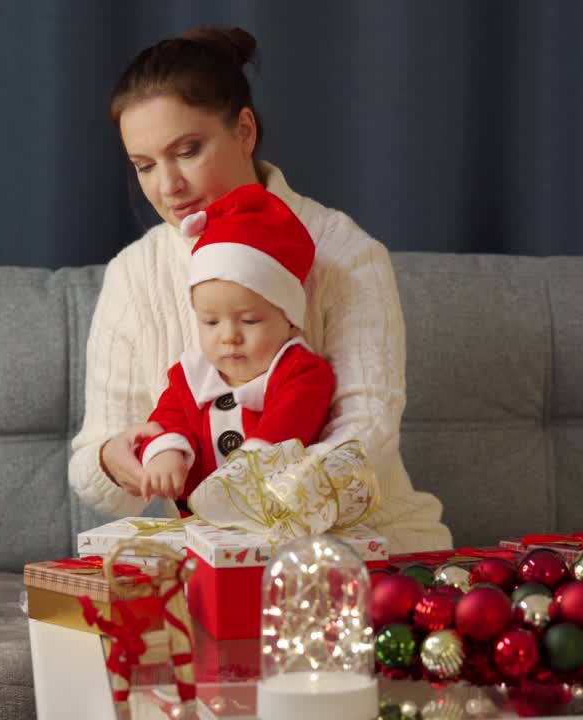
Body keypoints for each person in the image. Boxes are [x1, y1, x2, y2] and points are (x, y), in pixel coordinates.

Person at [68, 25, 451, 553]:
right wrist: (117, 458)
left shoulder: (345, 252)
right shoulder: (133, 275)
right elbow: (93, 467)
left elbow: (368, 437)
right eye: (145, 166)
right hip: (209, 562)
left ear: (244, 131)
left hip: (358, 549)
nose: (167, 185)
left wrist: (257, 505)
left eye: (187, 150)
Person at [138, 182, 334, 514]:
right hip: (202, 526)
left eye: (249, 321)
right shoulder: (192, 375)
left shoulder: (300, 372)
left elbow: (285, 428)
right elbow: (169, 417)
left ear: (289, 320)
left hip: (277, 519)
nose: (229, 337)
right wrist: (166, 450)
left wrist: (252, 466)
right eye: (211, 322)